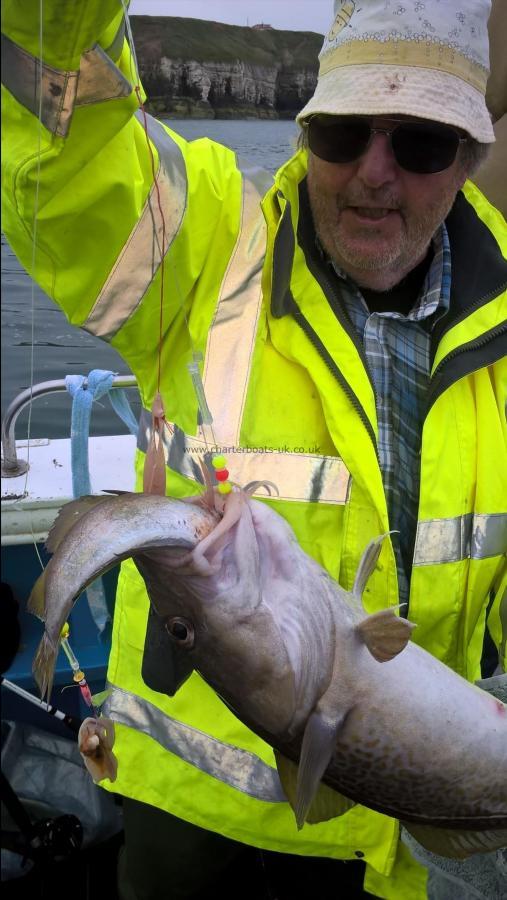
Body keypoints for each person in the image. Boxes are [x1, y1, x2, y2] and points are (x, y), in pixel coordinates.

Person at [2, 1, 506, 898]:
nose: (373, 175)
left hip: (408, 854)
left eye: (422, 144)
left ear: (469, 159)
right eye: (342, 134)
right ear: (305, 132)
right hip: (200, 831)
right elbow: (71, 154)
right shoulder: (201, 247)